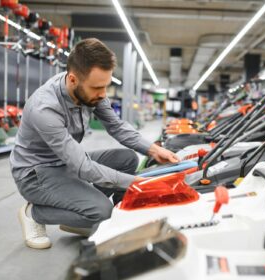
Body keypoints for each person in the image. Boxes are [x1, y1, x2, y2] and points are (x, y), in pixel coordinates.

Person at [10, 38, 179, 249]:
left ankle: (108, 215)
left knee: (126, 159)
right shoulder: (45, 108)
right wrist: (138, 183)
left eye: (105, 86)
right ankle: (35, 214)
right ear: (73, 80)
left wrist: (154, 150)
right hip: (36, 174)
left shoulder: (92, 92)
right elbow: (83, 167)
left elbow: (116, 126)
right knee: (101, 211)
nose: (102, 94)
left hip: (65, 163)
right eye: (97, 88)